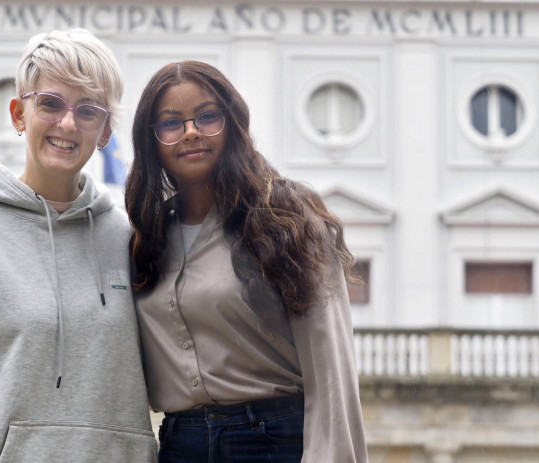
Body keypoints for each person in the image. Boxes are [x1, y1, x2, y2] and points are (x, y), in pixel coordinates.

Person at [0, 29, 157, 462]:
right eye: (50, 104)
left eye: (88, 110)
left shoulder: (127, 236)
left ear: (106, 129)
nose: (68, 123)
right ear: (19, 114)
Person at [125, 60, 368, 462]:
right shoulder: (146, 238)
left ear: (232, 123)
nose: (191, 132)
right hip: (180, 443)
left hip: (273, 440)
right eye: (172, 123)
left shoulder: (285, 220)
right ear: (151, 140)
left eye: (207, 117)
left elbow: (331, 370)